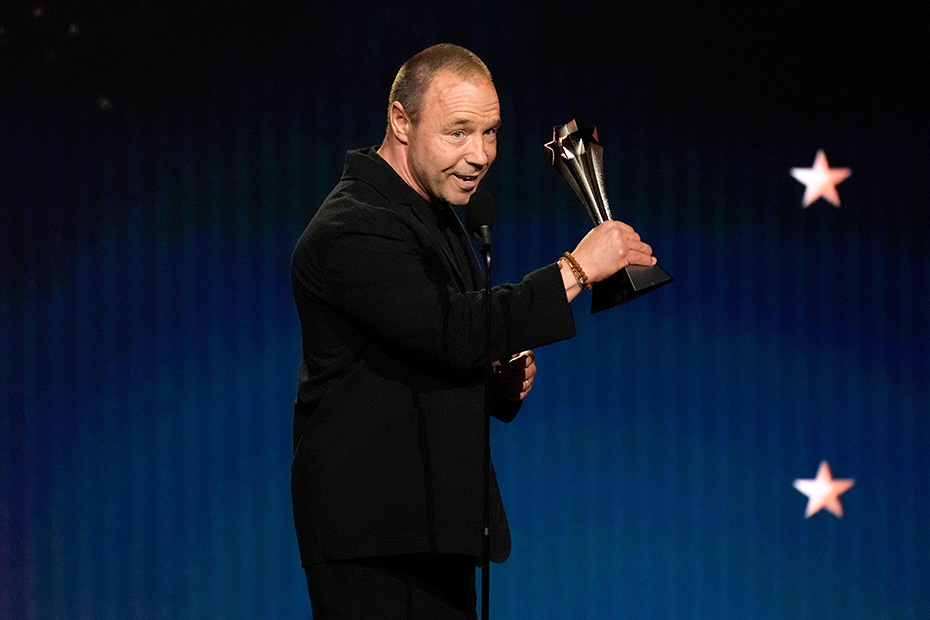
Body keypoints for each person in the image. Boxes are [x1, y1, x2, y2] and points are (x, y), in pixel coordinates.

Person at [290, 43, 656, 619]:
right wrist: (576, 270)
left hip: (435, 526)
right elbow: (447, 328)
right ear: (401, 122)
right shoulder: (353, 225)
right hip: (377, 536)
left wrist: (495, 383)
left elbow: (425, 356)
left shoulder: (436, 222)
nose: (481, 154)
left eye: (490, 133)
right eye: (459, 132)